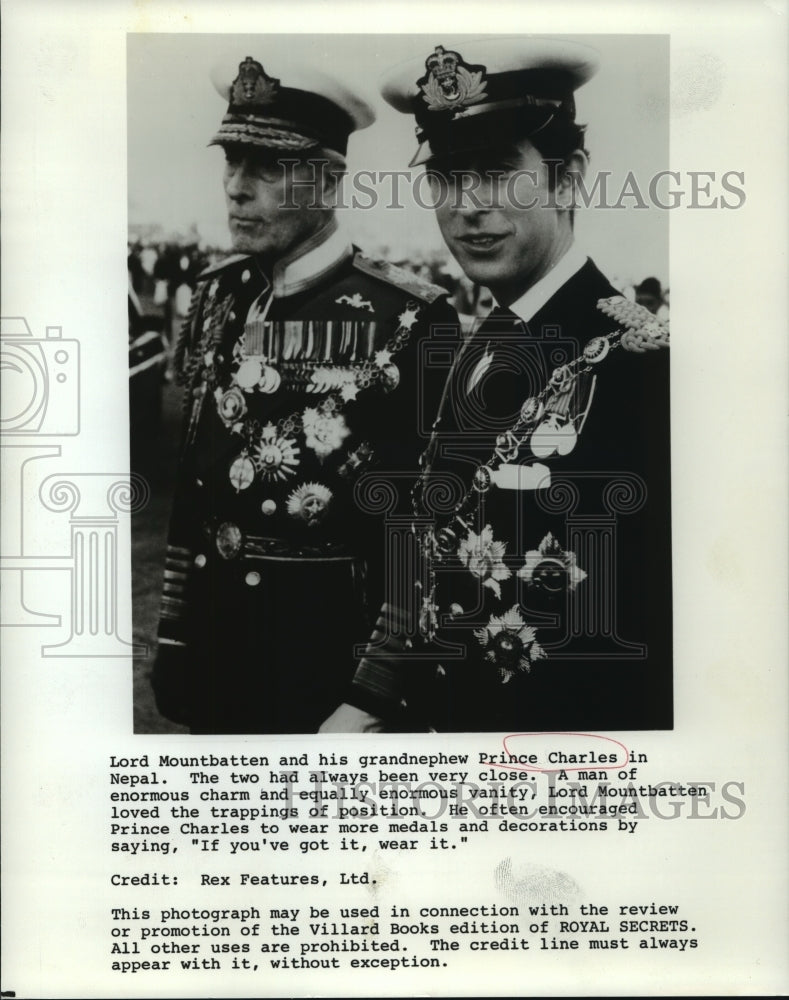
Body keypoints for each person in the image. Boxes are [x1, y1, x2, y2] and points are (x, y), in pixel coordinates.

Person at [323, 38, 672, 733]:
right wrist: (369, 700)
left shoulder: (640, 366)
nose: (468, 206)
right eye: (448, 177)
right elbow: (431, 555)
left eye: (495, 173)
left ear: (566, 178)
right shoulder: (478, 348)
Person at [151, 52, 458, 734]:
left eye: (265, 167)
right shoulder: (218, 295)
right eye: (231, 162)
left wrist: (375, 689)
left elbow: (422, 523)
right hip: (213, 648)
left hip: (323, 668)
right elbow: (194, 485)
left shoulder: (405, 314)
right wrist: (174, 632)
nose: (236, 187)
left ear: (325, 181)